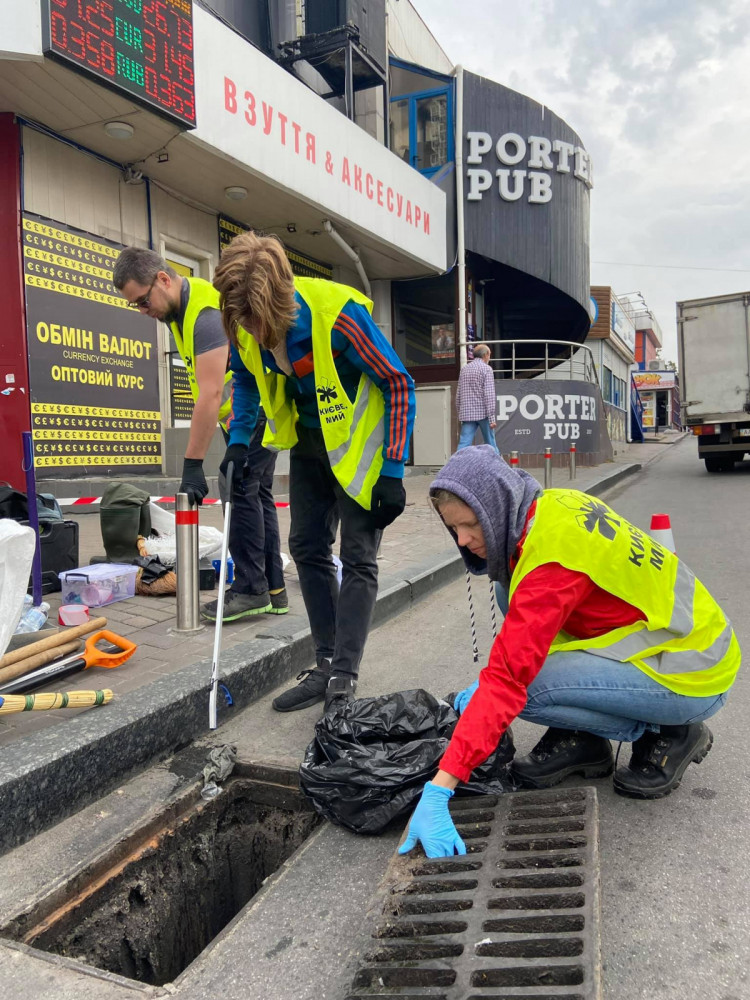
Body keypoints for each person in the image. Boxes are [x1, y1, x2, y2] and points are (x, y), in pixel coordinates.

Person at [399, 446, 739, 858]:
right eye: (454, 530)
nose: (464, 541)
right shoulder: (553, 507)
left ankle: (670, 730)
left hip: (693, 671)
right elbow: (533, 632)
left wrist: (440, 788)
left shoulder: (553, 562)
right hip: (676, 635)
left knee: (530, 691)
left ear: (496, 507)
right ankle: (588, 739)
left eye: (471, 525)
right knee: (510, 591)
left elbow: (510, 678)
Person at [212, 232, 416, 713]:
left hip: (361, 448)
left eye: (259, 321)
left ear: (279, 299)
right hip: (307, 443)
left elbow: (397, 383)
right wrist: (239, 442)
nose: (254, 332)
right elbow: (244, 377)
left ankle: (344, 676)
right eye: (244, 320)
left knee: (359, 557)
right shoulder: (243, 319)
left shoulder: (339, 317)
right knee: (305, 546)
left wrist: (393, 468)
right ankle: (325, 663)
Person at [113, 248, 288, 620]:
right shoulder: (178, 313)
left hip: (253, 413)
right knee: (257, 496)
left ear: (163, 279)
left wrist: (192, 464)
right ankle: (273, 590)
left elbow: (210, 393)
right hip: (245, 417)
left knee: (238, 492)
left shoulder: (205, 315)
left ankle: (251, 589)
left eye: (144, 301)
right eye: (136, 307)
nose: (144, 311)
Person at [455, 343, 499, 452]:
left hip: (467, 414)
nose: (489, 357)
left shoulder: (464, 370)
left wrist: (460, 412)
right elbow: (489, 395)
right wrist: (492, 418)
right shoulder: (486, 369)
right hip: (483, 413)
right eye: (489, 355)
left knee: (463, 444)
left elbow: (458, 394)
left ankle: (457, 466)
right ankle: (498, 467)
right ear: (485, 355)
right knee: (491, 444)